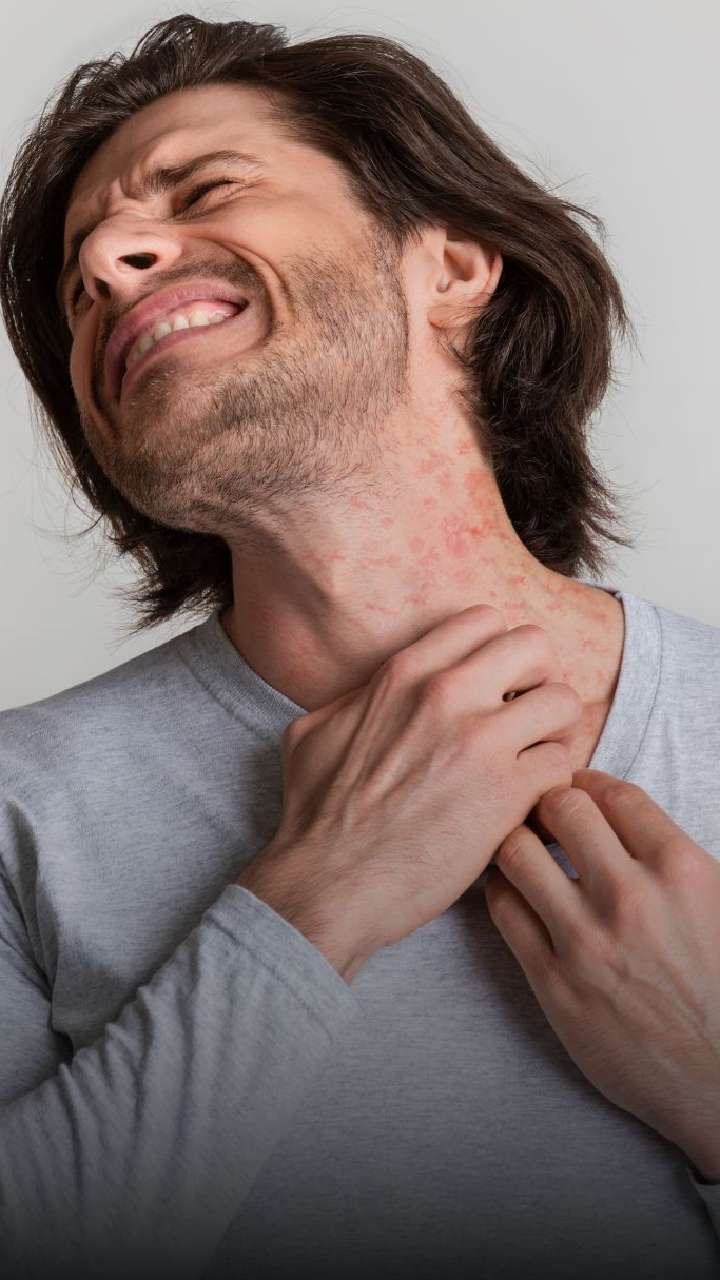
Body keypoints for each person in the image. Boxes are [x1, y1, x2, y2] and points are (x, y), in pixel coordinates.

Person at [0, 16, 718, 1279]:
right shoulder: (17, 810)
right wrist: (316, 896)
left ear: (453, 265)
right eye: (76, 287)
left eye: (205, 188)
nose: (106, 263)